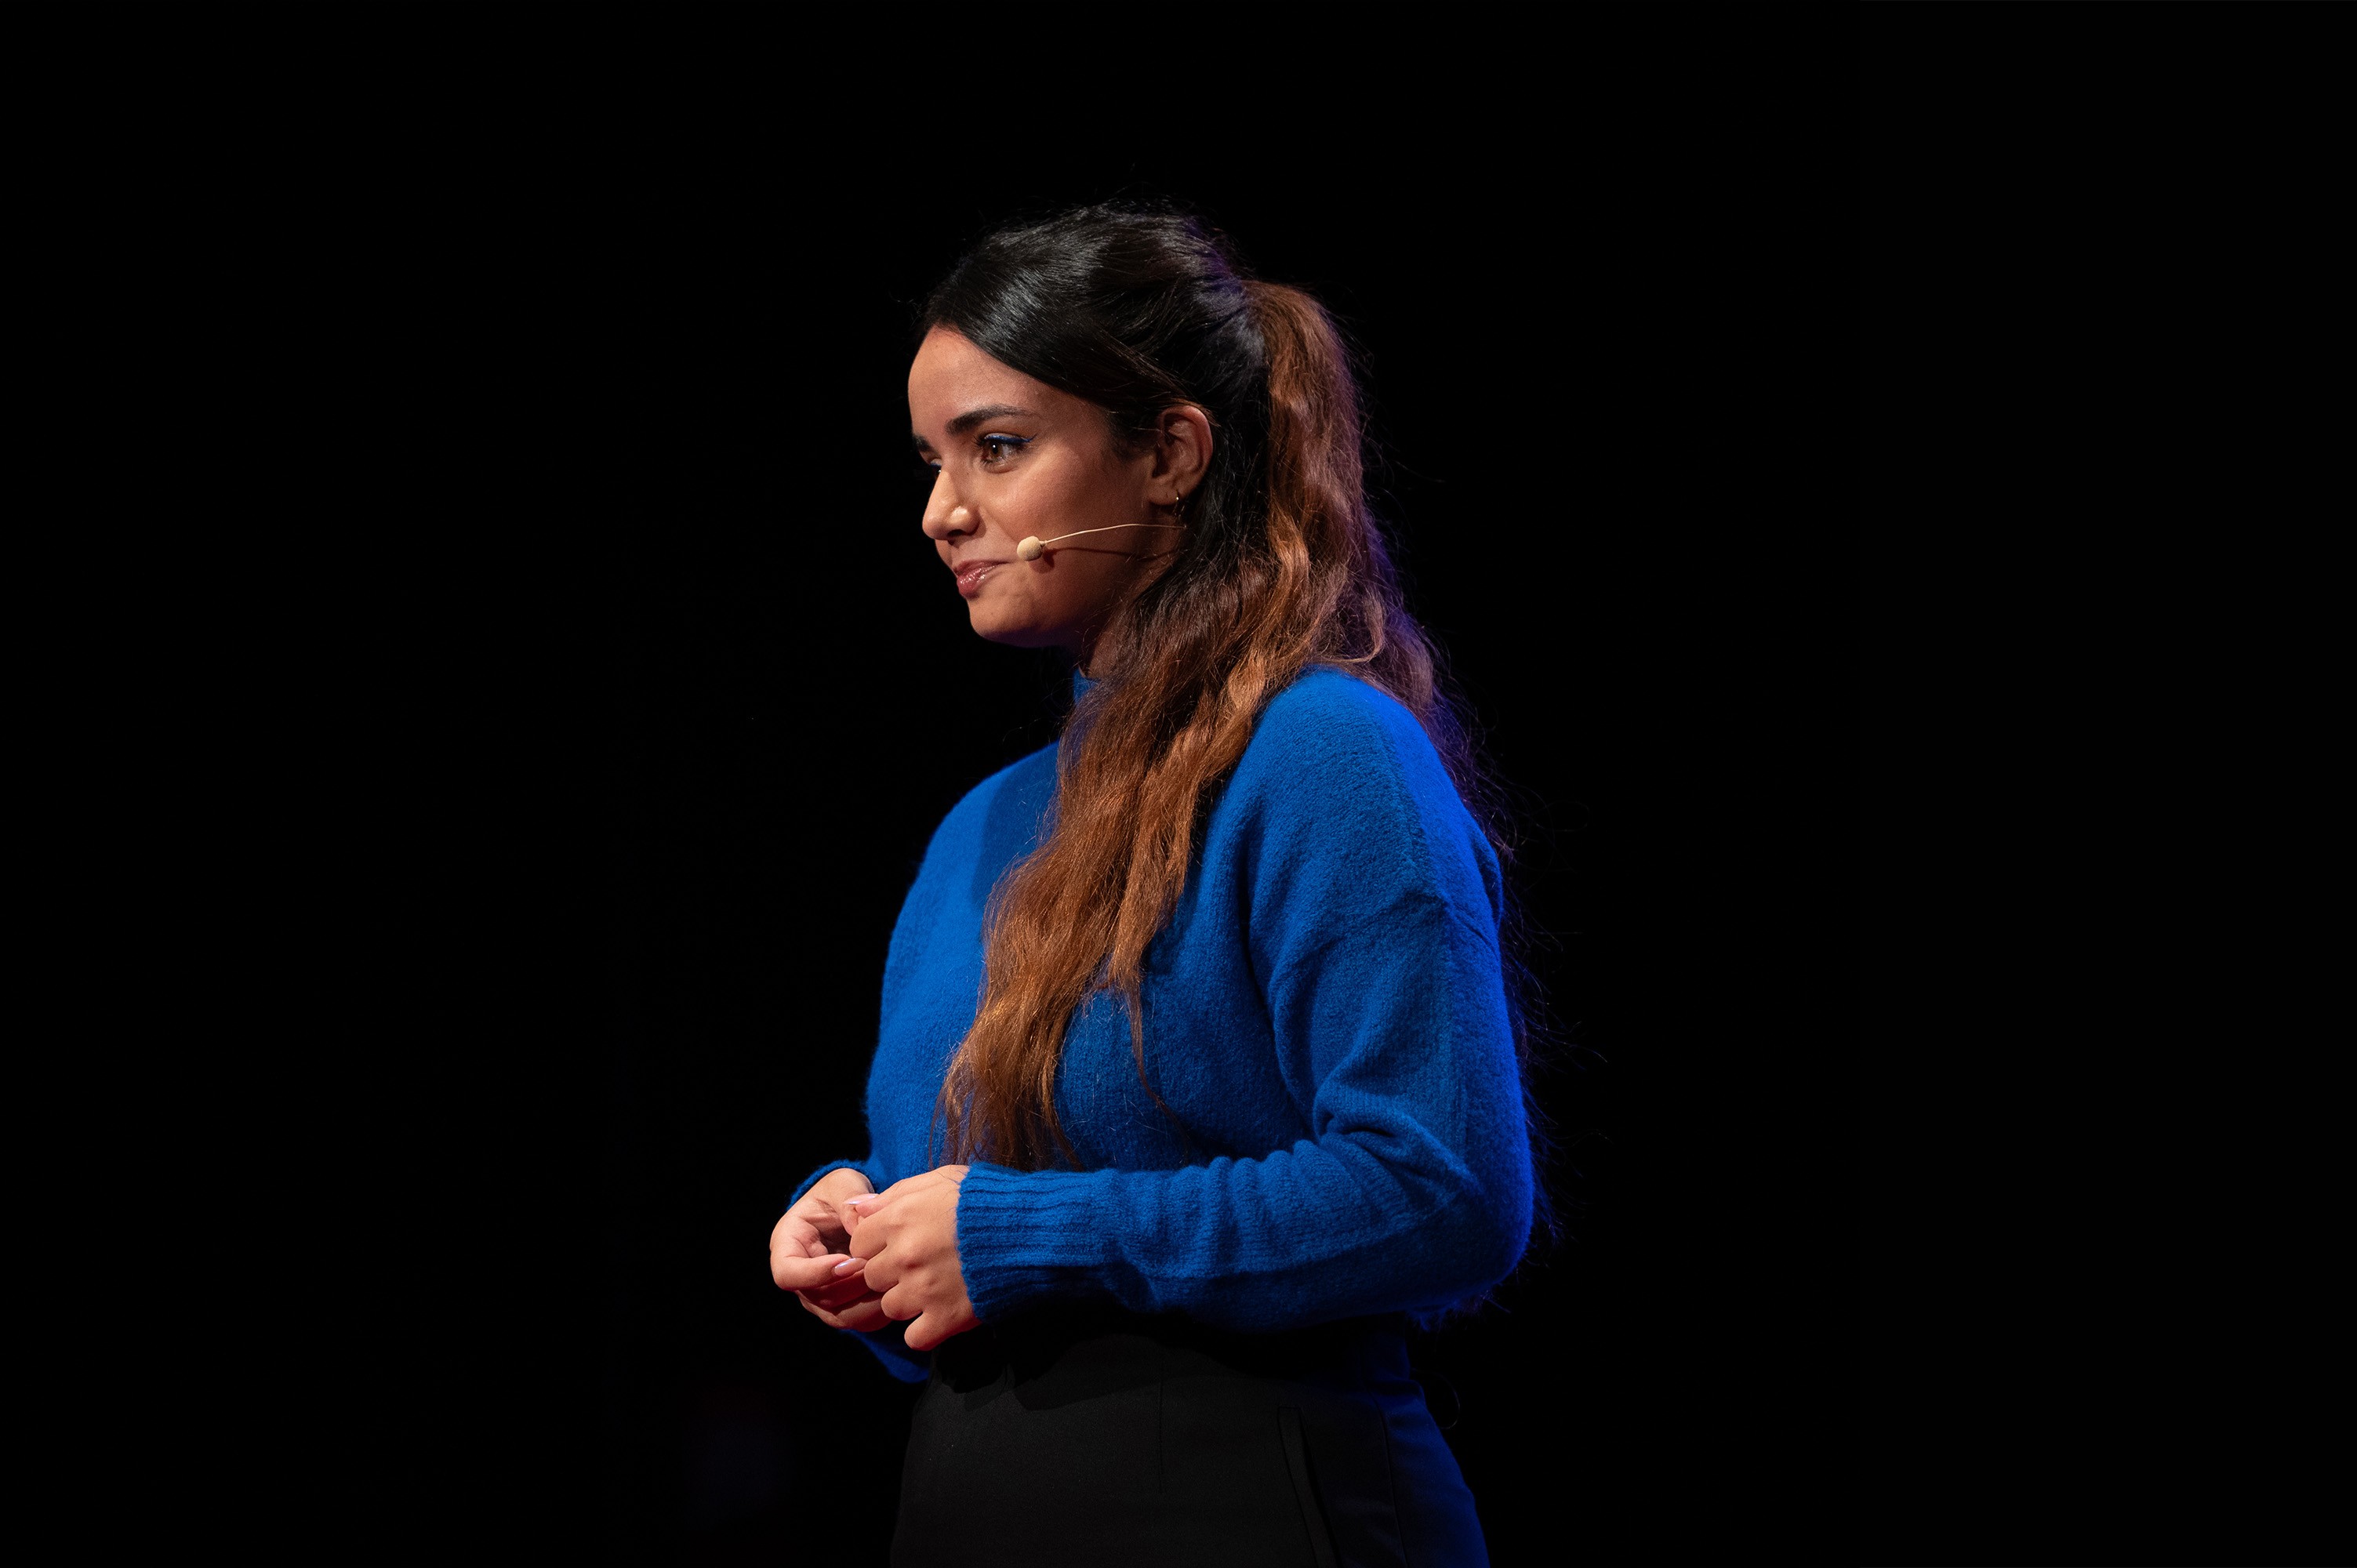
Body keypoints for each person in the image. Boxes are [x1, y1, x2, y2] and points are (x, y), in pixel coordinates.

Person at [768, 204, 1537, 1568]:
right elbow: (955, 1199)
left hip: (1244, 1494)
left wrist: (1017, 1233)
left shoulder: (1321, 752)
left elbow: (1444, 1188)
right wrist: (863, 1228)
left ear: (1171, 452)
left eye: (996, 449)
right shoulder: (980, 829)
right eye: (933, 460)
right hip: (971, 1500)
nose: (942, 510)